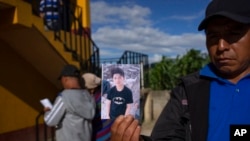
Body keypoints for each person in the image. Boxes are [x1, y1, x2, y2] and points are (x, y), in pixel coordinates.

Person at [110, 0, 250, 141]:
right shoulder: (188, 90)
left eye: (233, 33)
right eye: (213, 36)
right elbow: (167, 137)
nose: (221, 46)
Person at [43, 64, 95, 141]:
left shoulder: (64, 97)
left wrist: (48, 111)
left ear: (65, 79)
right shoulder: (88, 96)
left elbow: (50, 121)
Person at [82, 73, 114, 141]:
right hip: (111, 133)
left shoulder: (95, 101)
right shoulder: (108, 95)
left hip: (100, 135)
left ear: (91, 89)